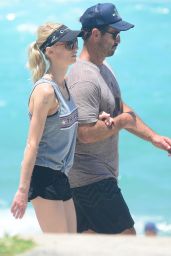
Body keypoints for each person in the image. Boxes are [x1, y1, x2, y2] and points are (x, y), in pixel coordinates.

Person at [66, 3, 171, 235]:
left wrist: (152, 137)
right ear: (95, 34)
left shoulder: (103, 68)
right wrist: (121, 122)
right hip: (91, 180)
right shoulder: (83, 77)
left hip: (89, 181)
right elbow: (84, 134)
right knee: (128, 241)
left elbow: (118, 107)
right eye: (114, 34)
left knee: (92, 245)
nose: (119, 40)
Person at [11, 22, 82, 233]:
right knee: (61, 249)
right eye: (68, 43)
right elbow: (32, 144)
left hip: (60, 174)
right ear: (50, 51)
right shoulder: (45, 91)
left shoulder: (65, 85)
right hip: (43, 175)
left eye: (75, 42)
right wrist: (23, 191)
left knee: (71, 246)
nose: (75, 47)